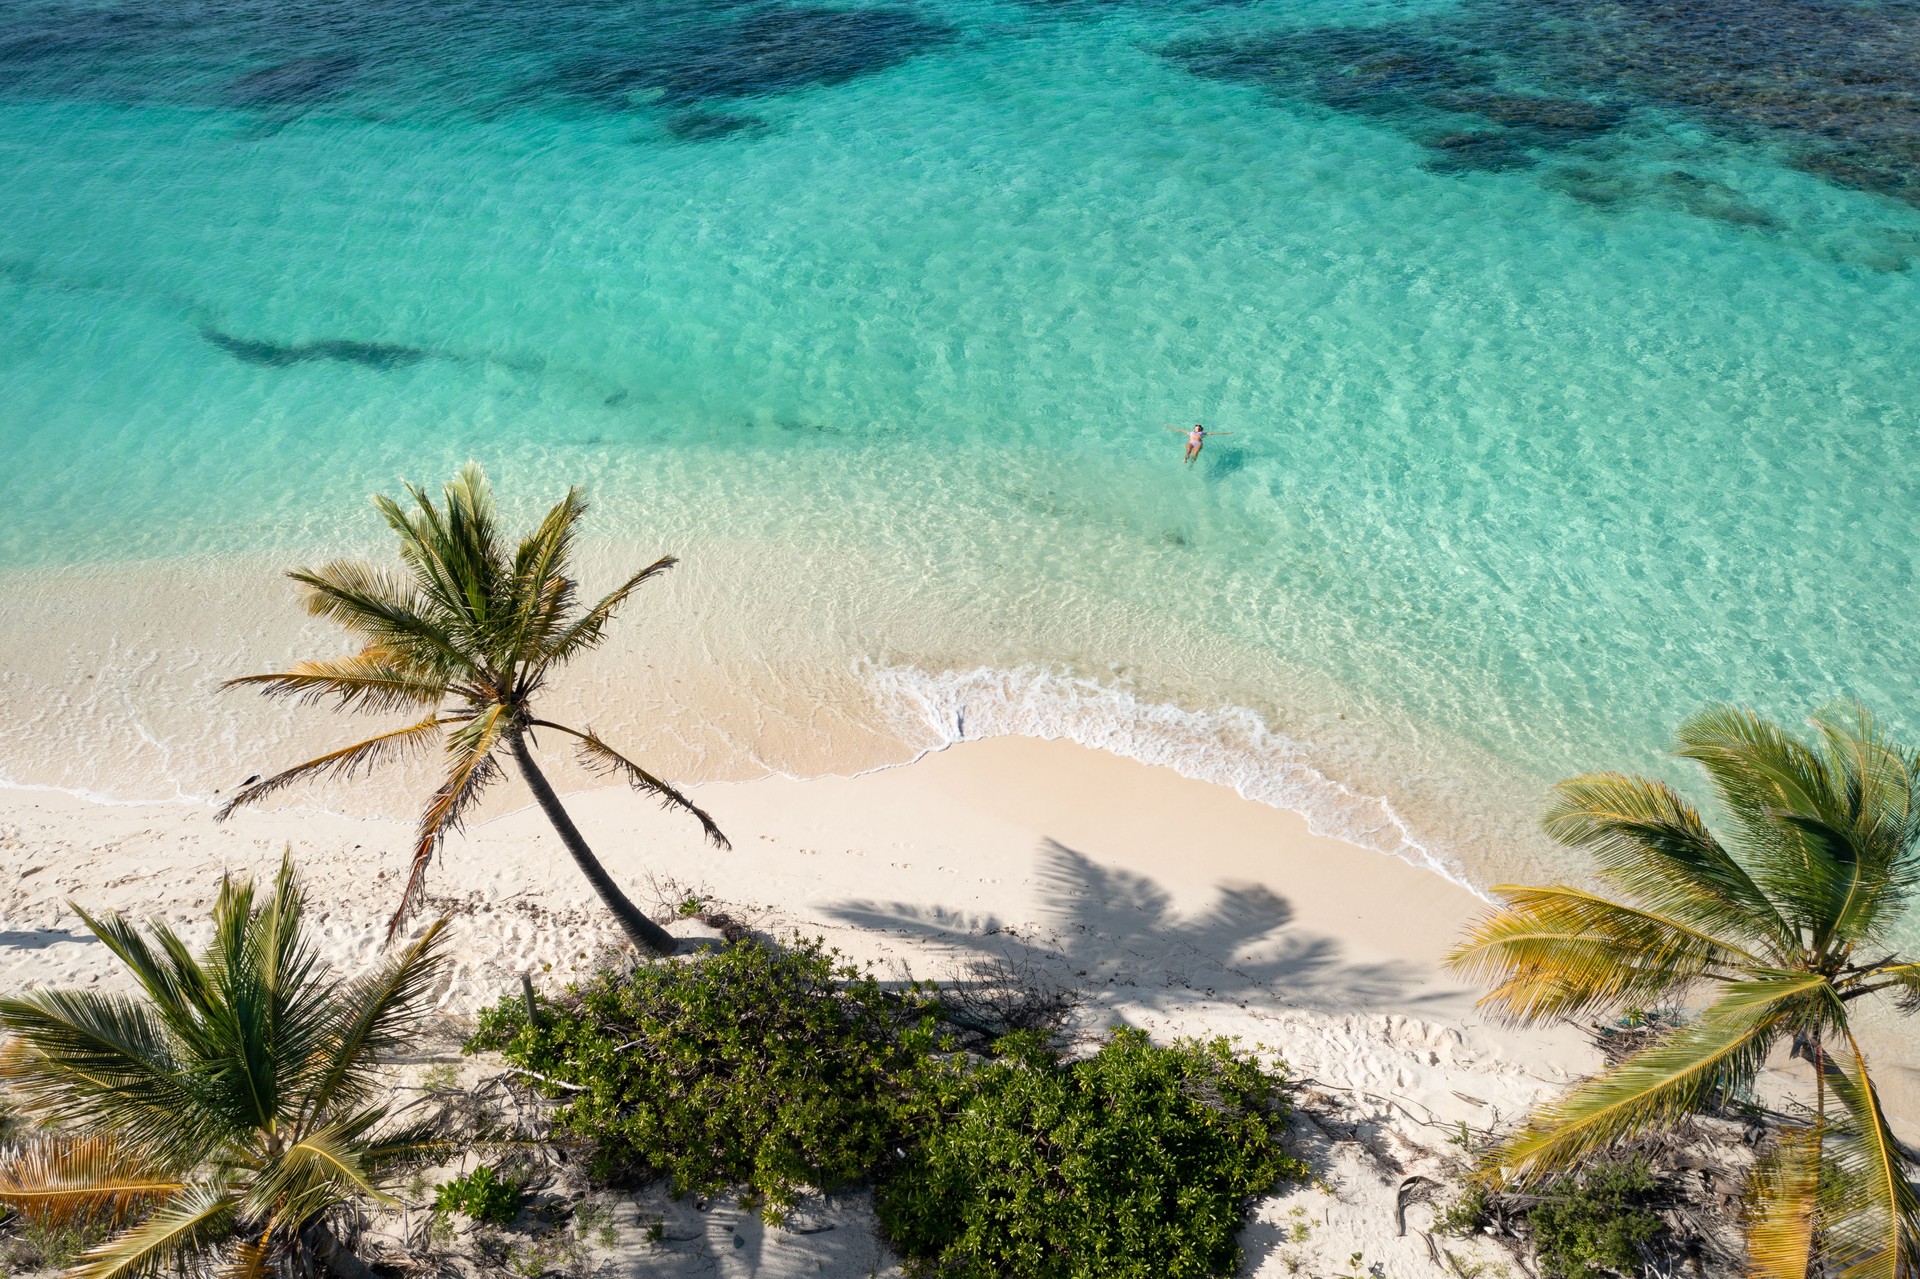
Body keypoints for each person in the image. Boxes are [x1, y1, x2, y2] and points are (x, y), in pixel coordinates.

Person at [1165, 422, 1231, 464]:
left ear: (1201, 429)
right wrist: (1168, 427)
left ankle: (1192, 462)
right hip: (1190, 442)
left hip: (1198, 443)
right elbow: (1179, 430)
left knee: (1195, 453)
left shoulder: (1203, 433)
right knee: (1188, 452)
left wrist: (1227, 433)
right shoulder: (1190, 432)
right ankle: (1185, 459)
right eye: (1197, 426)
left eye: (1199, 426)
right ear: (1194, 429)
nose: (1198, 426)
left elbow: (1215, 433)